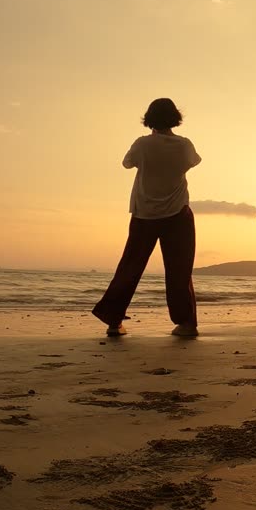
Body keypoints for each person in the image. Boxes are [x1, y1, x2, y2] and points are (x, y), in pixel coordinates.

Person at [92, 99, 201, 338]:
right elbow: (194, 162)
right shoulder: (183, 145)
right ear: (175, 117)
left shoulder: (142, 145)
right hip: (178, 214)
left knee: (130, 267)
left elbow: (127, 163)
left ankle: (114, 321)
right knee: (179, 270)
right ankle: (186, 324)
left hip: (144, 214)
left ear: (149, 118)